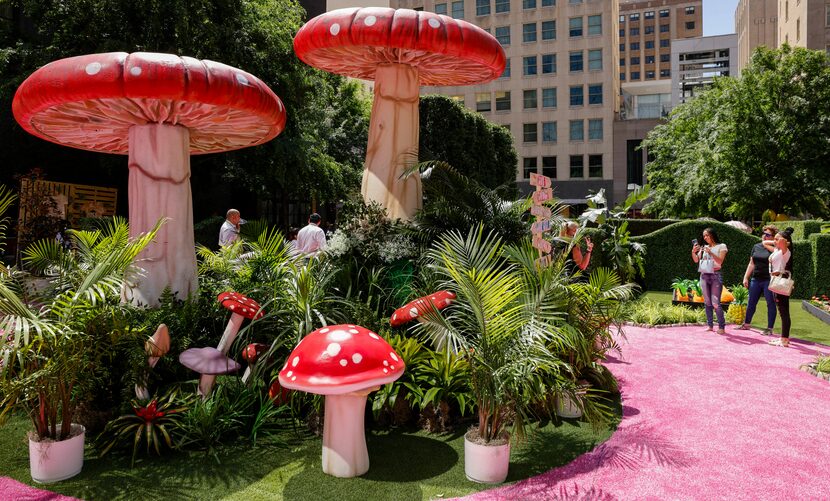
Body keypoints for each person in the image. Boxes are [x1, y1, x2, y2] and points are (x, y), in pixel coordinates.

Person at [737, 225, 778, 335]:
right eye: (764, 234)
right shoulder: (756, 246)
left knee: (770, 303)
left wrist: (772, 244)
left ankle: (769, 328)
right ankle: (746, 324)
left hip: (769, 280)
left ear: (773, 237)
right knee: (751, 302)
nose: (765, 236)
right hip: (756, 279)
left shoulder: (775, 249)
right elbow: (751, 263)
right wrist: (746, 277)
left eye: (768, 234)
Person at [692, 227, 728, 334]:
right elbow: (696, 260)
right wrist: (693, 252)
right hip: (704, 275)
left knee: (716, 303)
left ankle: (721, 327)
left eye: (707, 235)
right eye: (704, 236)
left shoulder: (722, 246)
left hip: (715, 275)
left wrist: (711, 252)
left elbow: (720, 261)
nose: (705, 237)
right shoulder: (704, 247)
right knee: (707, 302)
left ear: (712, 235)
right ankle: (710, 325)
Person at [764, 228, 794, 347]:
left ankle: (784, 339)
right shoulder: (777, 250)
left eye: (777, 239)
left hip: (780, 281)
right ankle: (784, 338)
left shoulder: (785, 251)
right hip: (775, 281)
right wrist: (776, 240)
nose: (774, 240)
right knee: (782, 310)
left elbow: (782, 242)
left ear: (784, 241)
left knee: (783, 312)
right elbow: (765, 243)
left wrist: (784, 238)